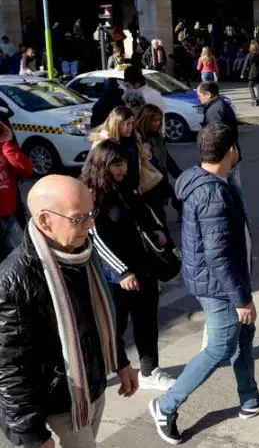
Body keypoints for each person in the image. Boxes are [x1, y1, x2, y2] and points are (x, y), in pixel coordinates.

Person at [149, 124, 259, 443]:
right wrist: (241, 299)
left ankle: (250, 400)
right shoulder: (212, 193)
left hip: (228, 281)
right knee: (220, 347)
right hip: (220, 286)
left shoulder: (203, 179)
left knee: (244, 336)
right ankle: (165, 406)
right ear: (231, 150)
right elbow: (218, 255)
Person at [0, 175, 137, 448]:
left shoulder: (83, 253)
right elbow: (9, 366)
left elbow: (100, 319)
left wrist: (120, 361)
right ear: (44, 221)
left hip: (92, 387)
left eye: (91, 214)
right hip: (60, 403)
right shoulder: (13, 281)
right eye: (78, 218)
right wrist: (33, 435)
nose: (90, 224)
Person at [82, 141, 177, 393]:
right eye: (117, 164)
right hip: (114, 277)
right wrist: (121, 271)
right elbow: (95, 239)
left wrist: (156, 229)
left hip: (142, 267)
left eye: (124, 162)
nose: (123, 168)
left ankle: (149, 371)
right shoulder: (90, 194)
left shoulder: (124, 186)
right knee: (115, 326)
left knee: (146, 320)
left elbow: (141, 208)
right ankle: (103, 369)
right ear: (102, 165)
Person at [197, 81, 248, 219]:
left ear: (208, 94)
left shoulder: (215, 110)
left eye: (200, 95)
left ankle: (240, 220)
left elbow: (215, 137)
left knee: (228, 190)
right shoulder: (220, 104)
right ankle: (242, 220)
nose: (198, 98)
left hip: (224, 157)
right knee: (235, 190)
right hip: (231, 153)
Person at [135, 104, 182, 222]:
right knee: (158, 212)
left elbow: (165, 155)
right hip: (149, 180)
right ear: (145, 119)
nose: (157, 123)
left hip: (160, 176)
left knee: (171, 197)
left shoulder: (157, 135)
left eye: (159, 120)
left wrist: (177, 173)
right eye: (154, 120)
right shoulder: (139, 137)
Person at [89, 106, 145, 193]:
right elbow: (95, 170)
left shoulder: (134, 138)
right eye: (124, 124)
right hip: (113, 190)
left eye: (131, 123)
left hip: (134, 187)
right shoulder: (103, 144)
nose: (129, 127)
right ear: (115, 124)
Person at [0, 122, 30, 260]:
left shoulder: (4, 147)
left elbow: (25, 171)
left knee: (18, 259)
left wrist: (7, 143)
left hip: (10, 217)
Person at [240, 42, 259, 107]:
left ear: (251, 48)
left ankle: (254, 99)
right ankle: (258, 101)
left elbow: (245, 65)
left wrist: (242, 73)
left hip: (252, 72)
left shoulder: (249, 55)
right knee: (258, 86)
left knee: (250, 85)